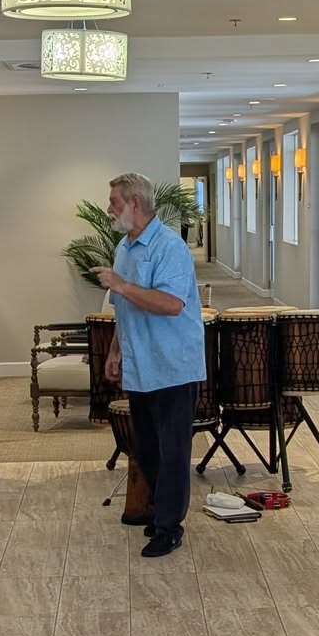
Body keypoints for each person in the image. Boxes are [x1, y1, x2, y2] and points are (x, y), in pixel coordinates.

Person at [93, 171, 207, 559]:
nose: (109, 209)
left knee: (173, 451)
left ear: (135, 204)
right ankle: (160, 511)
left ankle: (169, 527)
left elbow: (172, 304)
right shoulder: (125, 246)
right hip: (141, 366)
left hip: (173, 366)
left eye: (115, 203)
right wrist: (115, 350)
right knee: (148, 448)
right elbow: (124, 308)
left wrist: (120, 284)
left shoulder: (169, 248)